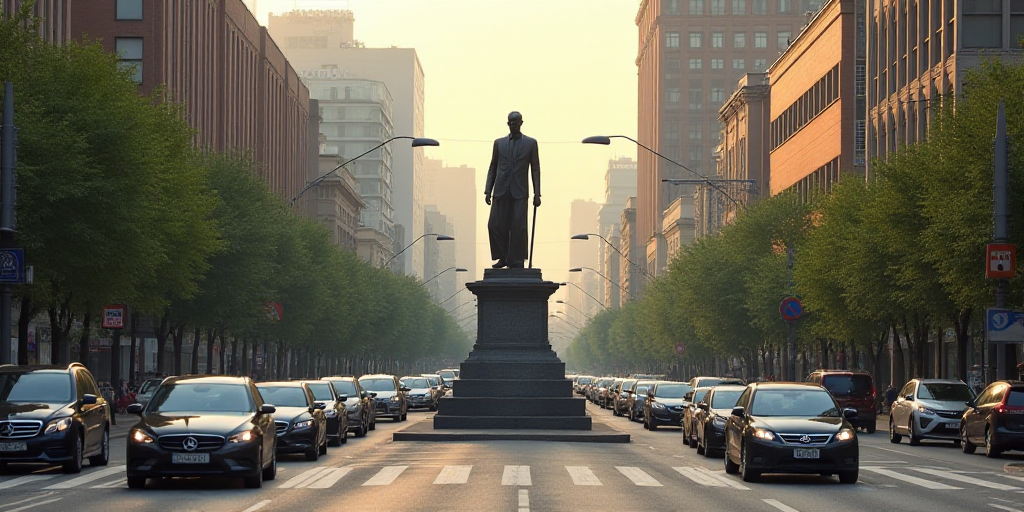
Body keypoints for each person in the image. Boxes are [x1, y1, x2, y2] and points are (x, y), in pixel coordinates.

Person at [484, 111, 541, 269]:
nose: (513, 124)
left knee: (518, 226)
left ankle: (516, 260)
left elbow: (535, 169)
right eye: (510, 122)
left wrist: (537, 193)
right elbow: (493, 167)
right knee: (494, 224)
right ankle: (502, 257)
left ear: (521, 123)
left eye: (516, 122)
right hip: (501, 189)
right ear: (507, 123)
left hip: (520, 191)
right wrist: (488, 190)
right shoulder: (499, 144)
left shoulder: (531, 144)